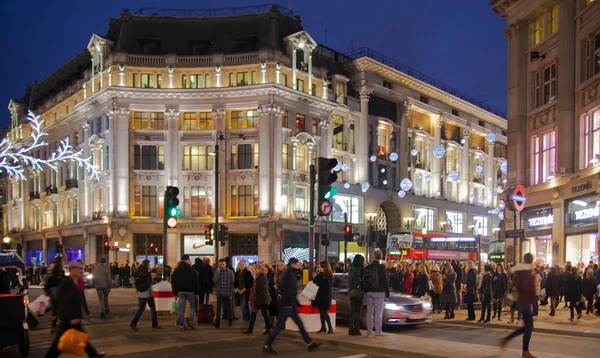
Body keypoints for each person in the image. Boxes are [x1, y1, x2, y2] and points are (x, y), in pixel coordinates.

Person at [44, 261, 105, 358]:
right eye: (78, 269)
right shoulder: (67, 282)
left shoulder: (71, 281)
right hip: (69, 317)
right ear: (71, 270)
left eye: (81, 269)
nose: (80, 271)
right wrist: (74, 316)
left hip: (69, 316)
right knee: (58, 343)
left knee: (80, 336)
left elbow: (62, 299)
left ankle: (93, 354)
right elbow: (65, 300)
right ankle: (93, 354)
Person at [263, 258, 320, 354]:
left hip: (289, 304)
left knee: (299, 325)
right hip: (288, 305)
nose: (299, 265)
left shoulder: (289, 273)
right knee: (279, 327)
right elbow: (289, 291)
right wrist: (294, 302)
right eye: (298, 263)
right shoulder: (289, 274)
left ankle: (310, 344)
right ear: (293, 264)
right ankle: (267, 345)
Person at [499, 253, 537, 358]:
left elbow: (517, 284)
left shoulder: (520, 270)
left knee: (526, 327)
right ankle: (525, 351)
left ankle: (506, 340)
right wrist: (534, 291)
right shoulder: (527, 271)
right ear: (531, 260)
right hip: (526, 301)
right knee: (529, 327)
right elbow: (526, 286)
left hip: (523, 300)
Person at [362, 250, 390, 337]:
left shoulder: (368, 267)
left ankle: (369, 331)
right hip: (379, 292)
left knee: (369, 312)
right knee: (378, 313)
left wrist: (365, 290)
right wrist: (387, 293)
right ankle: (378, 331)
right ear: (381, 257)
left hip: (369, 292)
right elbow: (386, 281)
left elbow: (363, 280)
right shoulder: (381, 268)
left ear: (373, 256)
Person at [130, 259, 160, 331]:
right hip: (148, 292)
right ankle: (154, 324)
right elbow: (150, 281)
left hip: (140, 292)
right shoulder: (148, 270)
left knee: (140, 309)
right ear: (148, 264)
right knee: (153, 308)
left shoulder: (137, 270)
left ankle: (134, 323)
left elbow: (134, 279)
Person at [171, 255, 199, 330]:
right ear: (188, 260)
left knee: (181, 308)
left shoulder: (177, 269)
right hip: (190, 290)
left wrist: (175, 293)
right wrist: (196, 292)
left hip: (180, 291)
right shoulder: (192, 269)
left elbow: (173, 282)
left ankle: (182, 324)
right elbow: (196, 281)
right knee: (192, 306)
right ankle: (190, 321)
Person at [242, 263, 271, 334]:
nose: (254, 270)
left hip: (261, 299)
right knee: (253, 314)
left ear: (259, 269)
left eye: (255, 268)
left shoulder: (262, 277)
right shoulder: (258, 276)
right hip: (257, 299)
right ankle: (250, 329)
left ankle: (268, 329)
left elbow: (263, 290)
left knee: (264, 314)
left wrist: (256, 299)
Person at [44, 256, 65, 333]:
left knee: (55, 309)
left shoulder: (52, 270)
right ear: (60, 262)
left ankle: (53, 326)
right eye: (62, 261)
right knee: (60, 309)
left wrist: (49, 292)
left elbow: (49, 282)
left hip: (52, 292)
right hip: (59, 292)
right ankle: (59, 325)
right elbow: (62, 282)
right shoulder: (60, 271)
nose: (63, 262)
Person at [312, 261, 334, 334]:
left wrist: (317, 278)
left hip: (325, 295)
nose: (319, 268)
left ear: (324, 267)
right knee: (321, 312)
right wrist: (314, 278)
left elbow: (324, 284)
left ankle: (330, 327)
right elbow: (316, 282)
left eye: (320, 267)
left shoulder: (328, 275)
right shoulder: (321, 275)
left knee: (324, 312)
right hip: (320, 295)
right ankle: (323, 327)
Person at [213, 258, 235, 328]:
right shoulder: (217, 271)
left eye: (223, 264)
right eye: (220, 264)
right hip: (220, 293)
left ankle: (230, 320)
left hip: (227, 293)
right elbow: (214, 280)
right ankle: (217, 321)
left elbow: (232, 282)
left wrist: (231, 292)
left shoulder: (230, 272)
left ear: (225, 264)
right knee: (218, 308)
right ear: (218, 265)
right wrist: (218, 272)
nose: (222, 266)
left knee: (229, 308)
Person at [235, 260, 254, 331]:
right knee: (242, 307)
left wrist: (244, 289)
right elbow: (235, 282)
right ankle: (246, 321)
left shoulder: (248, 273)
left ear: (245, 265)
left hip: (246, 291)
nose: (241, 265)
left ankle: (247, 321)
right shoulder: (236, 273)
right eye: (240, 264)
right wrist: (238, 289)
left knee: (244, 306)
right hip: (239, 291)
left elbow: (250, 282)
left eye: (243, 264)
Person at [348, 254, 365, 335]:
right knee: (358, 311)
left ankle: (350, 329)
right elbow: (361, 280)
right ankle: (357, 329)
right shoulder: (360, 269)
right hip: (358, 291)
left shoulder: (351, 268)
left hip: (351, 292)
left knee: (352, 311)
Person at [268, 260, 285, 328]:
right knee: (274, 308)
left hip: (283, 293)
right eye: (279, 265)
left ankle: (281, 324)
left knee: (281, 309)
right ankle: (273, 323)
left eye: (282, 265)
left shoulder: (286, 274)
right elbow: (270, 283)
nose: (280, 267)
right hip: (274, 293)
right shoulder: (274, 274)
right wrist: (273, 286)